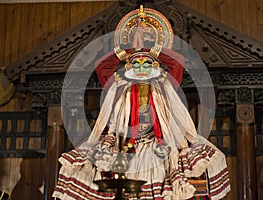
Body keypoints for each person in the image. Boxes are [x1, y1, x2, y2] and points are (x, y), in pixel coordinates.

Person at [53, 6, 230, 200]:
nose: (141, 68)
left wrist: (148, 48)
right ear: (129, 67)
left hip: (158, 141)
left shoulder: (164, 85)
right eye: (136, 64)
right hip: (122, 142)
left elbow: (176, 61)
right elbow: (103, 65)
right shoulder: (119, 87)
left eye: (147, 64)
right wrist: (130, 50)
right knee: (87, 172)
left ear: (154, 66)